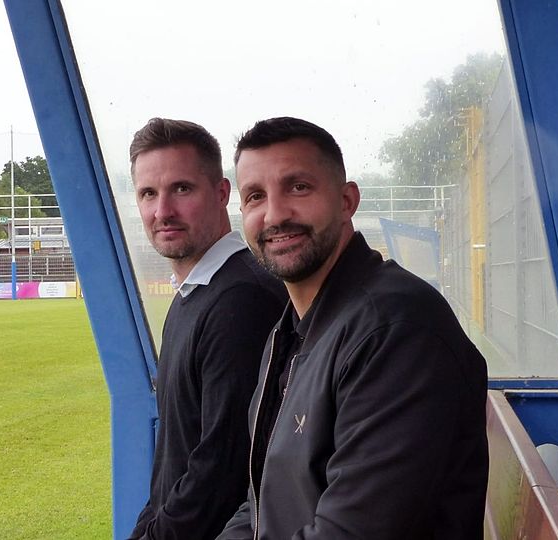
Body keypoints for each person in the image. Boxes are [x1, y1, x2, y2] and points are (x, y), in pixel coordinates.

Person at [218, 117, 488, 539]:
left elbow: (352, 531)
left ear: (347, 201)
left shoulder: (395, 329)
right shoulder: (290, 332)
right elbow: (259, 504)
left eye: (298, 187)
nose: (275, 214)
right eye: (255, 197)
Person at [127, 118, 287, 540]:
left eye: (181, 189)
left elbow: (222, 474)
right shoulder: (194, 294)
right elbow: (173, 463)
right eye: (148, 193)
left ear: (221, 193)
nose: (162, 211)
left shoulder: (241, 300)